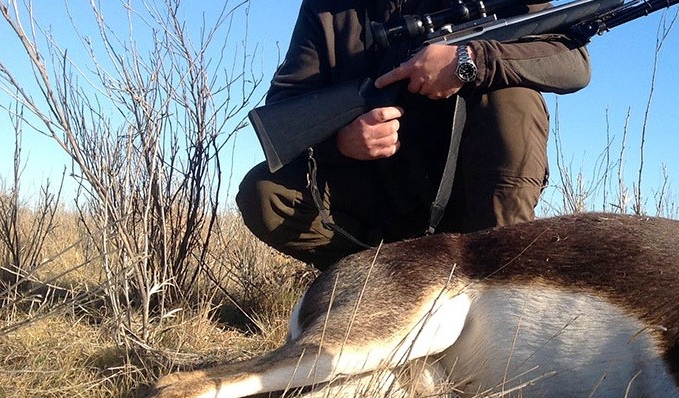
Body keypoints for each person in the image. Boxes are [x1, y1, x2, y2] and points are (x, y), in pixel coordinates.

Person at [237, 0, 591, 270]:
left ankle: (496, 282)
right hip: (378, 193)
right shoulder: (326, 7)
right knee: (266, 195)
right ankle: (382, 282)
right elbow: (287, 104)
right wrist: (341, 142)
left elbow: (573, 63)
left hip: (465, 197)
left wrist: (470, 61)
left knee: (515, 99)